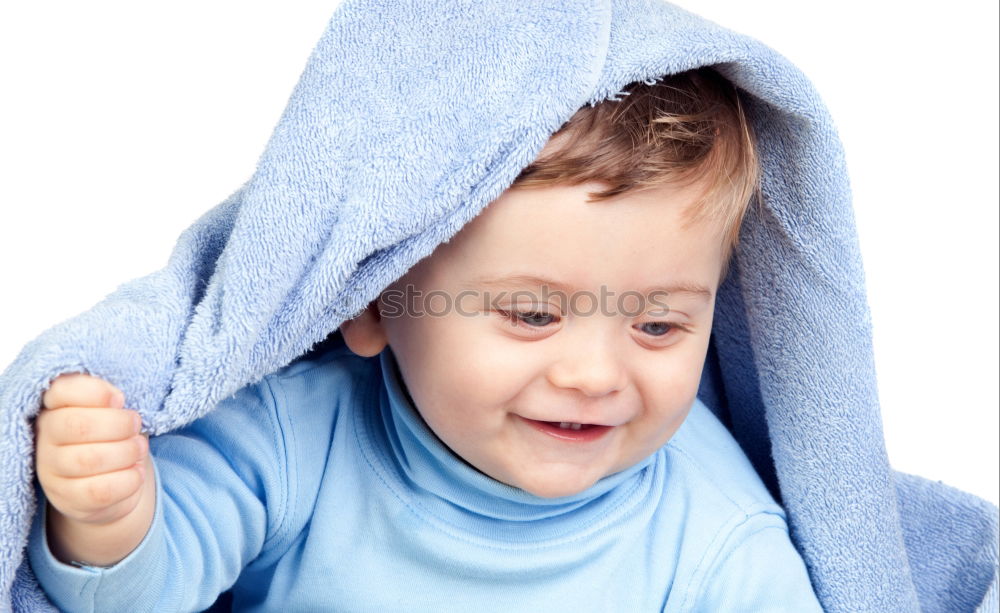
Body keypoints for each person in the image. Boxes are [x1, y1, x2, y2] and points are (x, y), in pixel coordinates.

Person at [26, 68, 824, 611]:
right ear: (371, 300)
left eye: (657, 324)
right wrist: (107, 516)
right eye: (531, 314)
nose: (592, 373)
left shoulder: (716, 534)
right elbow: (144, 591)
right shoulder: (295, 436)